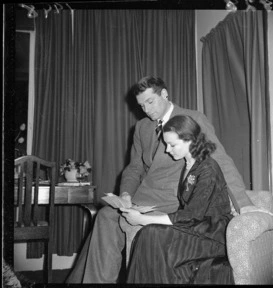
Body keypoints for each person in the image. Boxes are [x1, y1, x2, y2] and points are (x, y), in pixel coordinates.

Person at [65, 76, 261, 283]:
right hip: (143, 199)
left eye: (150, 102)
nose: (147, 110)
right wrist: (126, 194)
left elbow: (221, 161)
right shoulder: (142, 127)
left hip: (172, 203)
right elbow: (134, 168)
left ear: (165, 94)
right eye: (141, 106)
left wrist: (244, 204)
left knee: (105, 219)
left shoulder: (192, 118)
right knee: (105, 216)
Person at [122, 115, 234, 284]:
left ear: (189, 140)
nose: (167, 150)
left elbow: (192, 214)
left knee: (151, 232)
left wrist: (143, 219)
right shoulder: (189, 165)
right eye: (166, 144)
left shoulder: (208, 168)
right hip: (197, 228)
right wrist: (145, 215)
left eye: (172, 144)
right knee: (149, 234)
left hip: (213, 235)